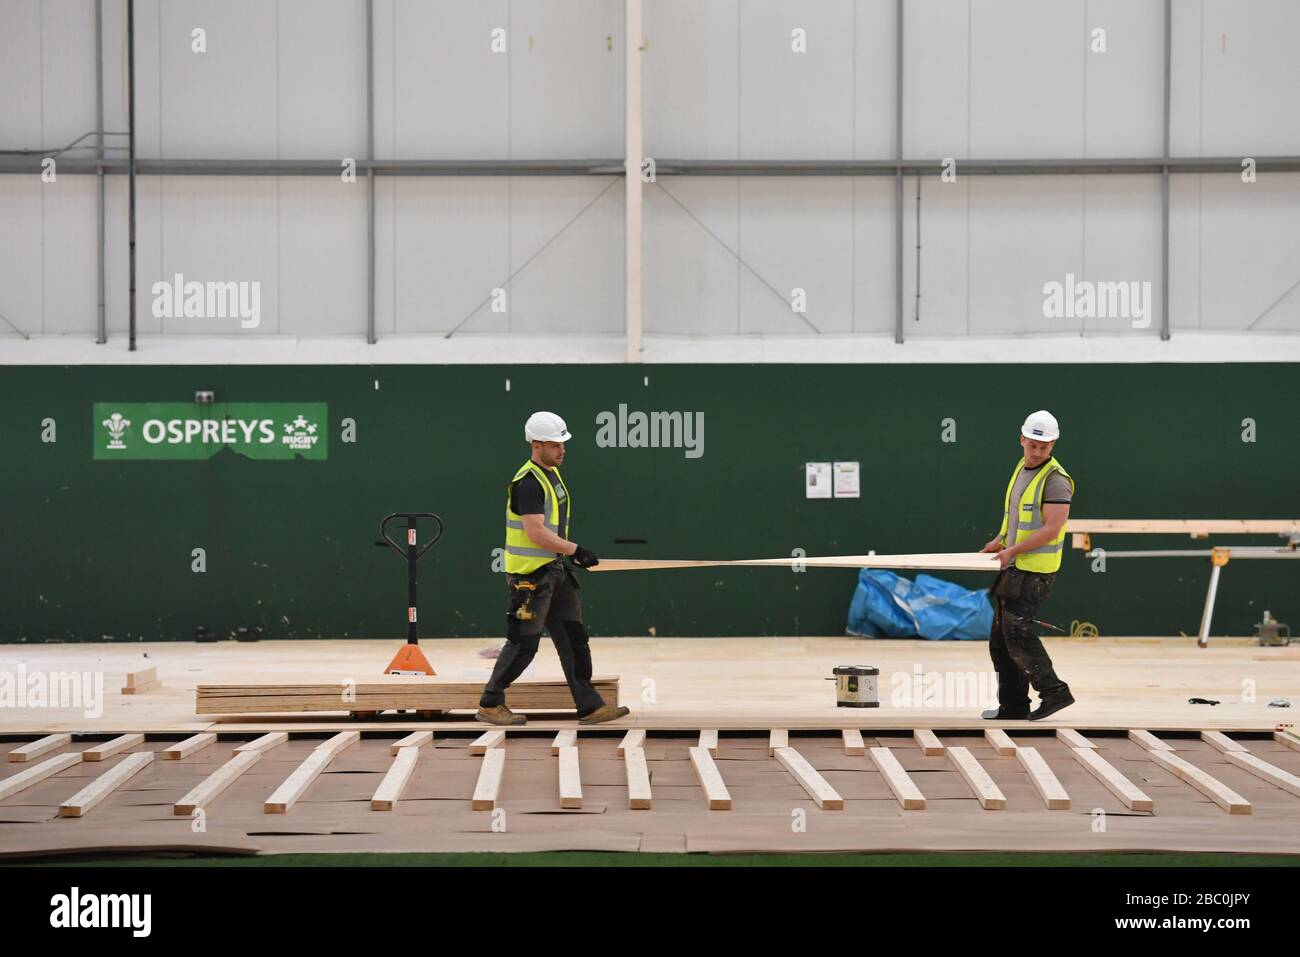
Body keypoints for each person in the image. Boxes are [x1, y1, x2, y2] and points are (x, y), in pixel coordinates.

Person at [477, 410, 631, 727]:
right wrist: (575, 550)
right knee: (523, 643)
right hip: (530, 580)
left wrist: (566, 556)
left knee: (574, 639)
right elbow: (535, 532)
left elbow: (549, 529)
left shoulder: (551, 474)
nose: (563, 449)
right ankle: (490, 703)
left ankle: (589, 706)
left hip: (554, 572)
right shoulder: (528, 483)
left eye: (563, 443)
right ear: (537, 445)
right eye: (555, 444)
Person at [979, 410, 1076, 721]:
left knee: (1017, 632)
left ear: (1053, 445)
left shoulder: (1056, 481)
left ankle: (1054, 693)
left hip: (1035, 571)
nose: (1037, 452)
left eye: (1044, 447)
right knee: (1001, 639)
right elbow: (1015, 519)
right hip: (1016, 566)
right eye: (1032, 444)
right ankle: (1013, 705)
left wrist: (1013, 550)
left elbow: (1051, 529)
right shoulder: (1022, 468)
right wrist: (1000, 540)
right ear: (1021, 439)